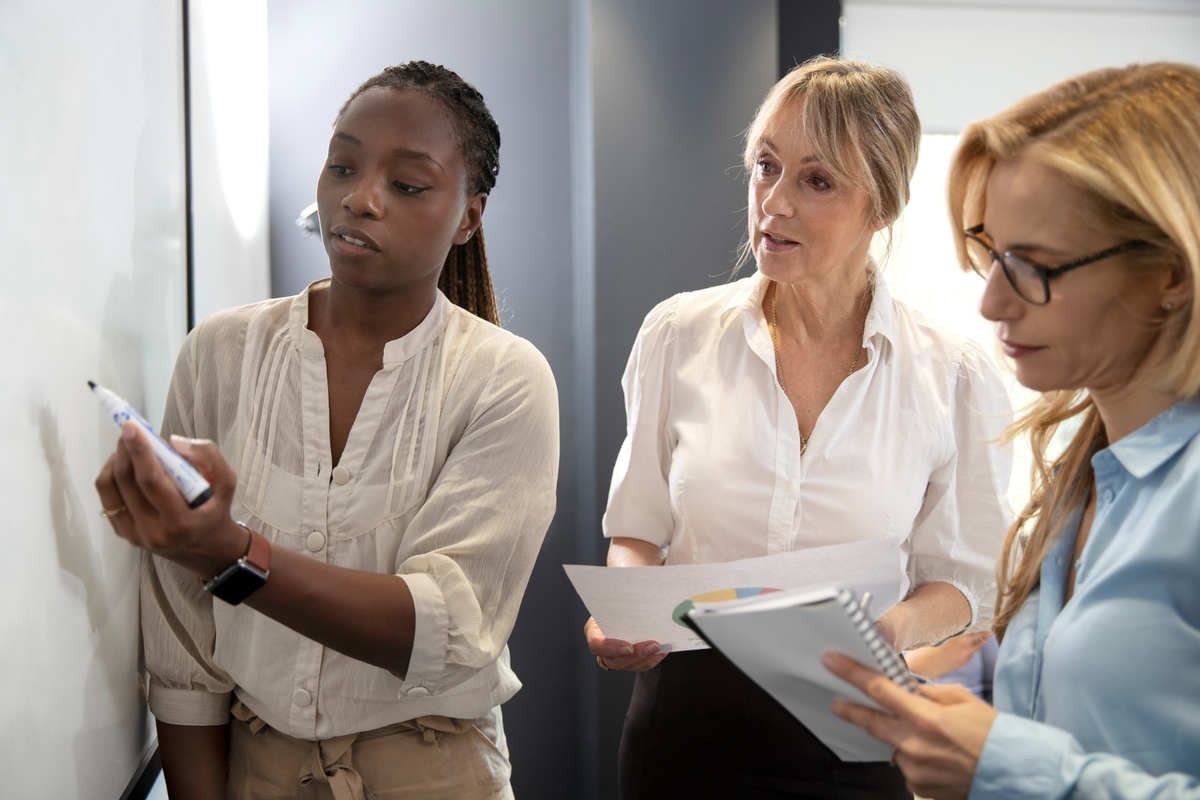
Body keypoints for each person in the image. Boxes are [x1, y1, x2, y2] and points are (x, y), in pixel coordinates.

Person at [93, 61, 558, 800]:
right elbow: (183, 645)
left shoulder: (504, 378)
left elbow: (442, 629)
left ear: (469, 217)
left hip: (435, 775)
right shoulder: (221, 353)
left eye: (407, 184)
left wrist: (231, 553)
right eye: (342, 166)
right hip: (256, 772)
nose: (360, 198)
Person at [585, 56, 1013, 798]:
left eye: (817, 181)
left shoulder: (955, 375)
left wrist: (892, 630)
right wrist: (624, 614)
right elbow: (637, 533)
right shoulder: (677, 334)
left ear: (881, 207)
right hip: (680, 738)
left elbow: (968, 581)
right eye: (766, 167)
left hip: (855, 733)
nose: (773, 203)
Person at [825, 62, 1200, 799]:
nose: (993, 302)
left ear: (1171, 273)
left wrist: (1005, 767)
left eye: (1034, 267)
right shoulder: (1084, 475)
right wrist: (954, 718)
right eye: (994, 256)